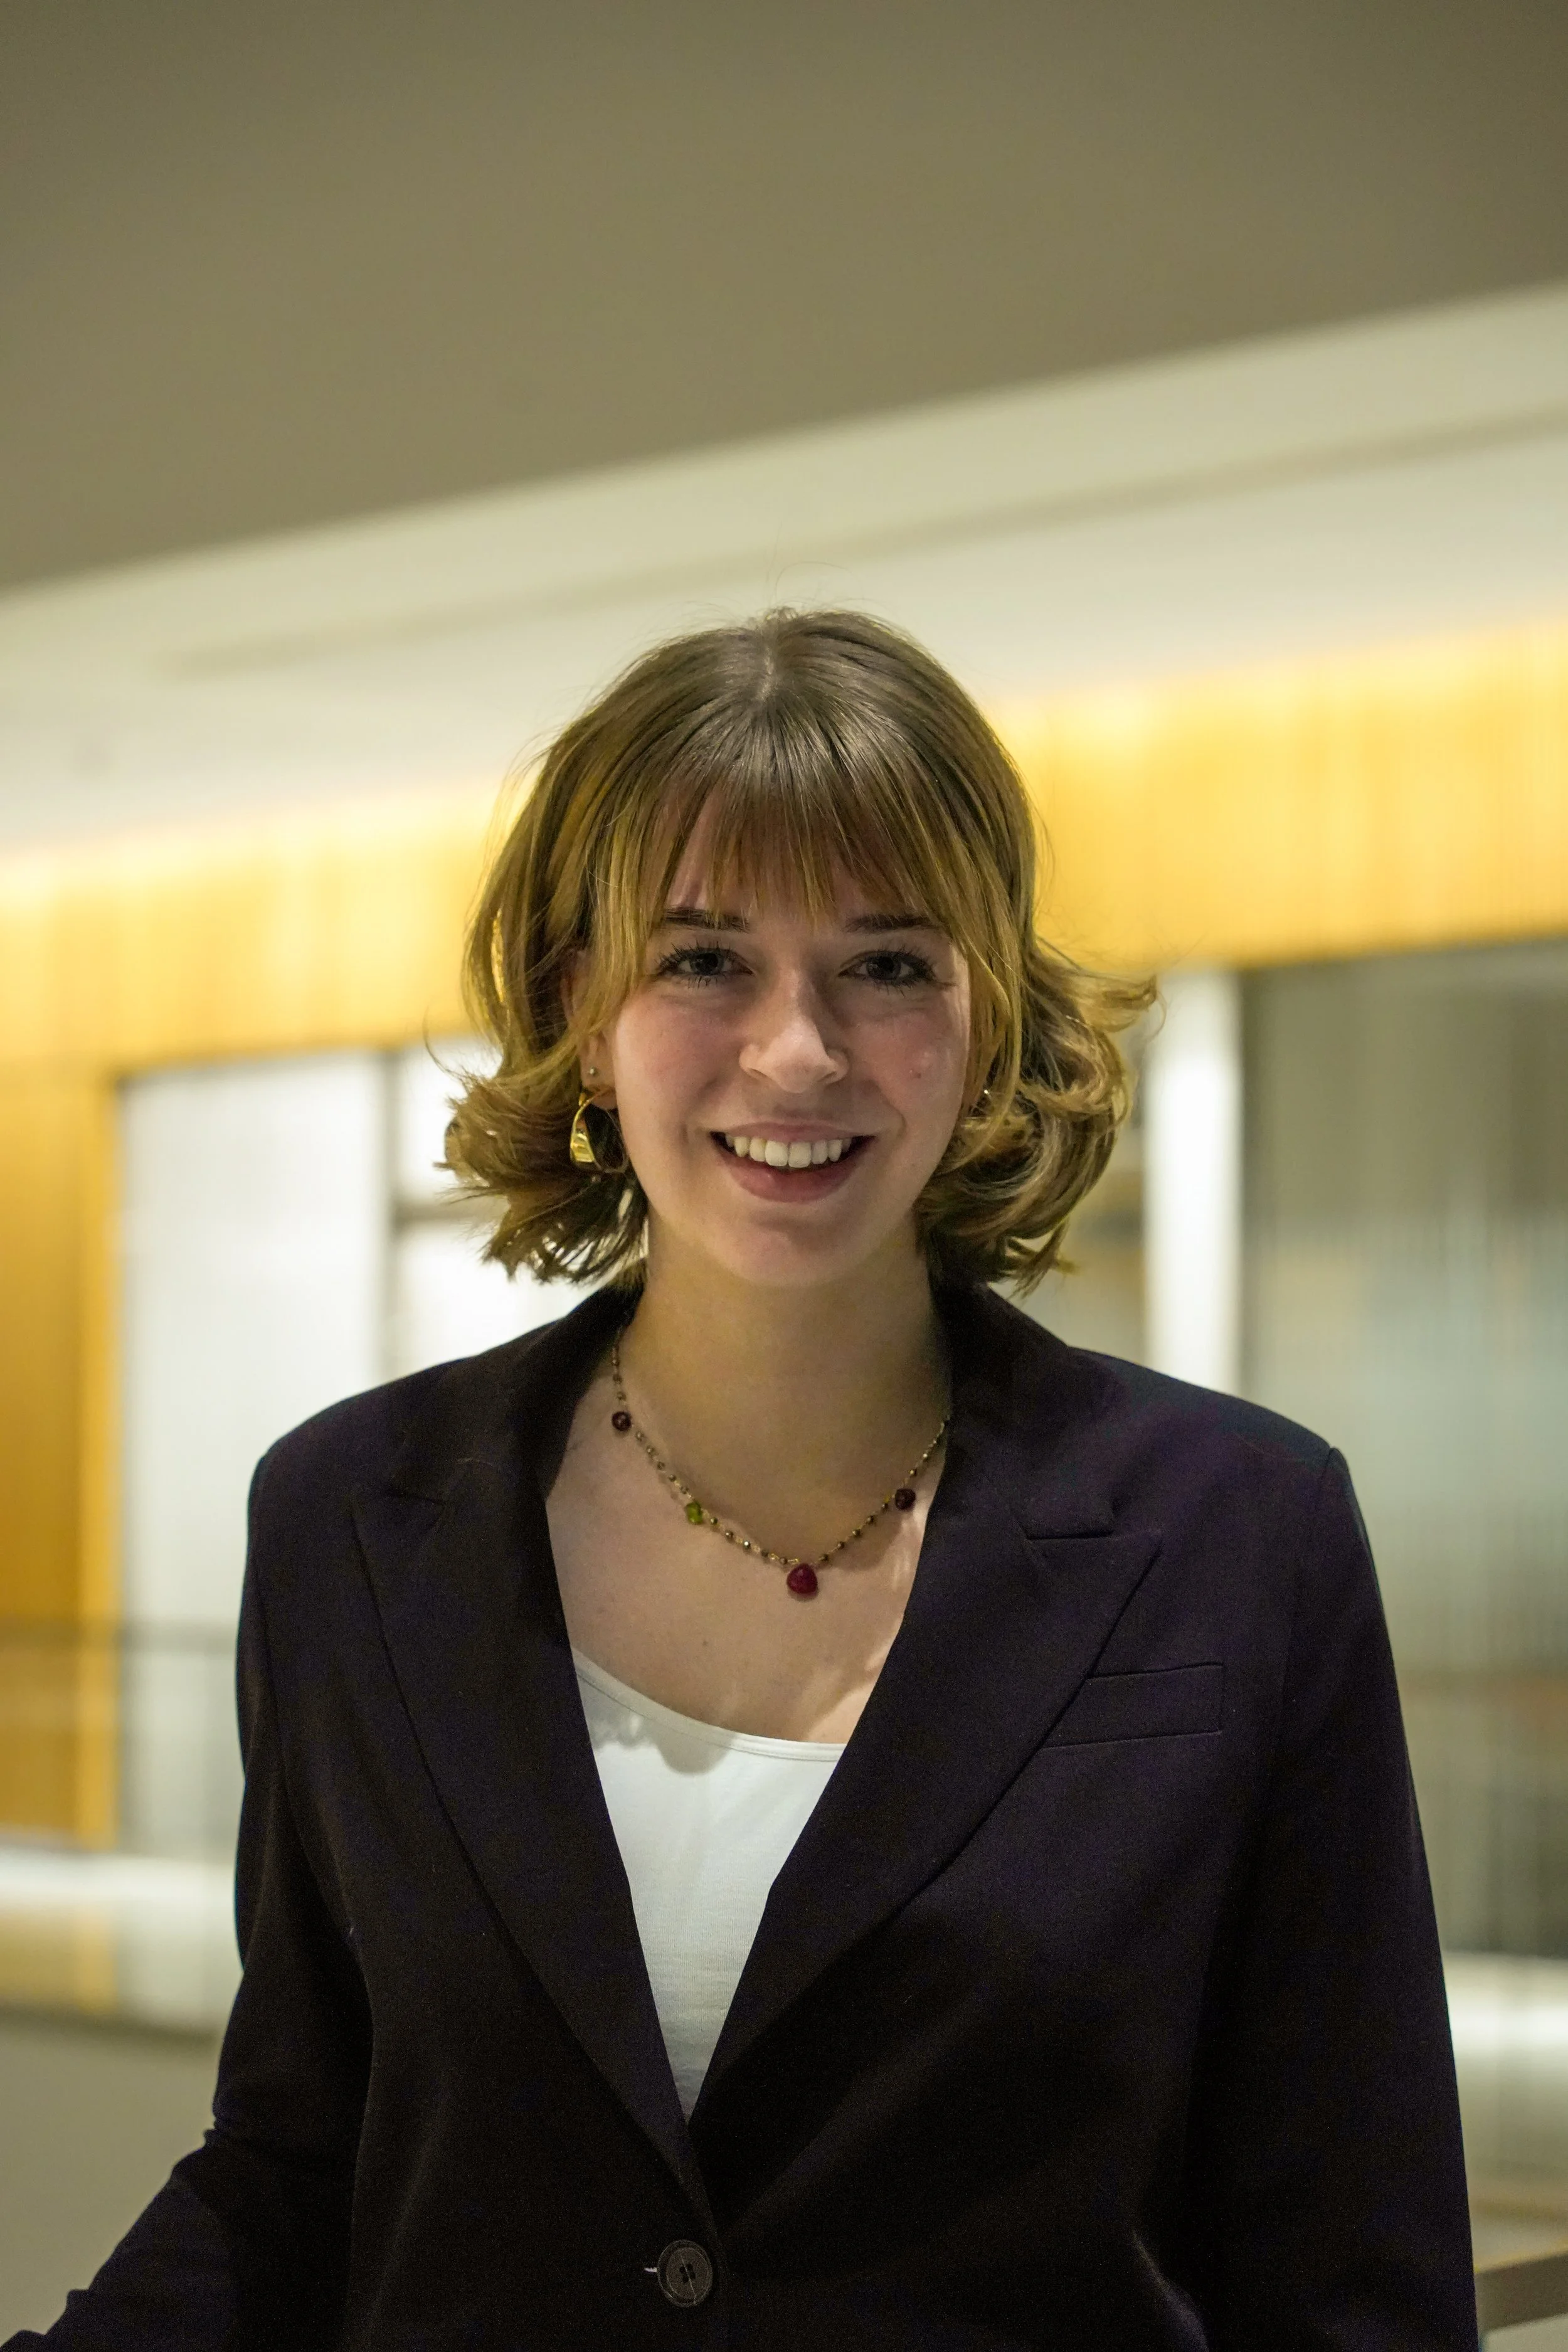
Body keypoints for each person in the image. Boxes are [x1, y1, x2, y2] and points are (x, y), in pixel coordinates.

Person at [12, 610, 1477, 2351]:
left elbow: (1347, 2245)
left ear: (986, 1007)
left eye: (887, 962)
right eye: (702, 960)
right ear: (581, 999)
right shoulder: (353, 1517)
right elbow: (302, 2157)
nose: (796, 1050)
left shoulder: (1238, 1536)